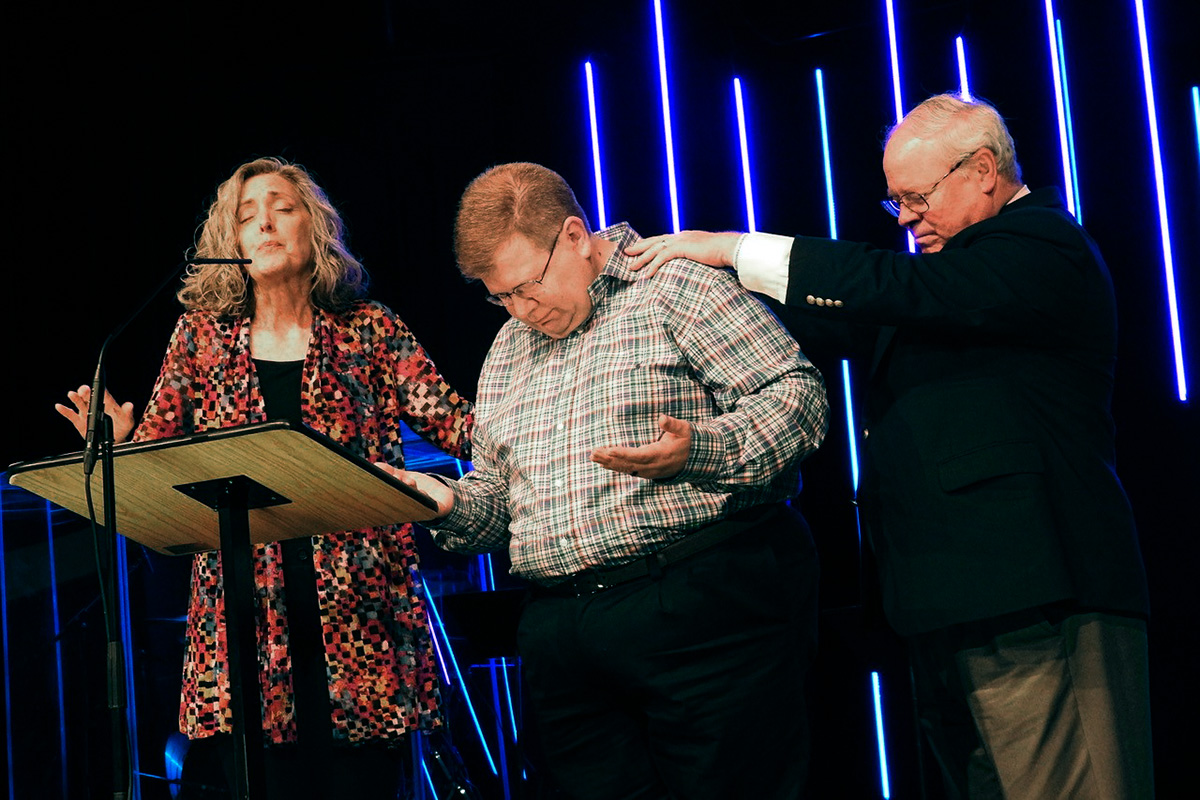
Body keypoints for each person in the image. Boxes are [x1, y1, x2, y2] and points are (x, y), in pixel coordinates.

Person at [626, 93, 1154, 799]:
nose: (906, 217)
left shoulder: (1042, 245)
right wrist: (690, 285)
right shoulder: (939, 287)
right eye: (894, 202)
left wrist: (730, 246)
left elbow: (887, 285)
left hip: (1040, 593)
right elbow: (835, 316)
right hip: (946, 601)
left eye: (917, 197)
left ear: (985, 170)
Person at [378, 162, 829, 799]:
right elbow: (500, 503)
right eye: (499, 296)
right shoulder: (508, 349)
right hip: (565, 636)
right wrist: (444, 502)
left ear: (573, 235)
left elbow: (799, 398)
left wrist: (702, 449)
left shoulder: (677, 287)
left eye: (527, 286)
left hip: (697, 607)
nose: (518, 310)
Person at [55, 157, 474, 799]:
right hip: (241, 632)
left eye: (281, 207)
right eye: (246, 216)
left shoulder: (371, 329)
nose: (265, 223)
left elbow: (463, 428)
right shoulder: (199, 338)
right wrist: (118, 448)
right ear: (230, 244)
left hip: (361, 623)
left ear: (316, 229)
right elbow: (158, 469)